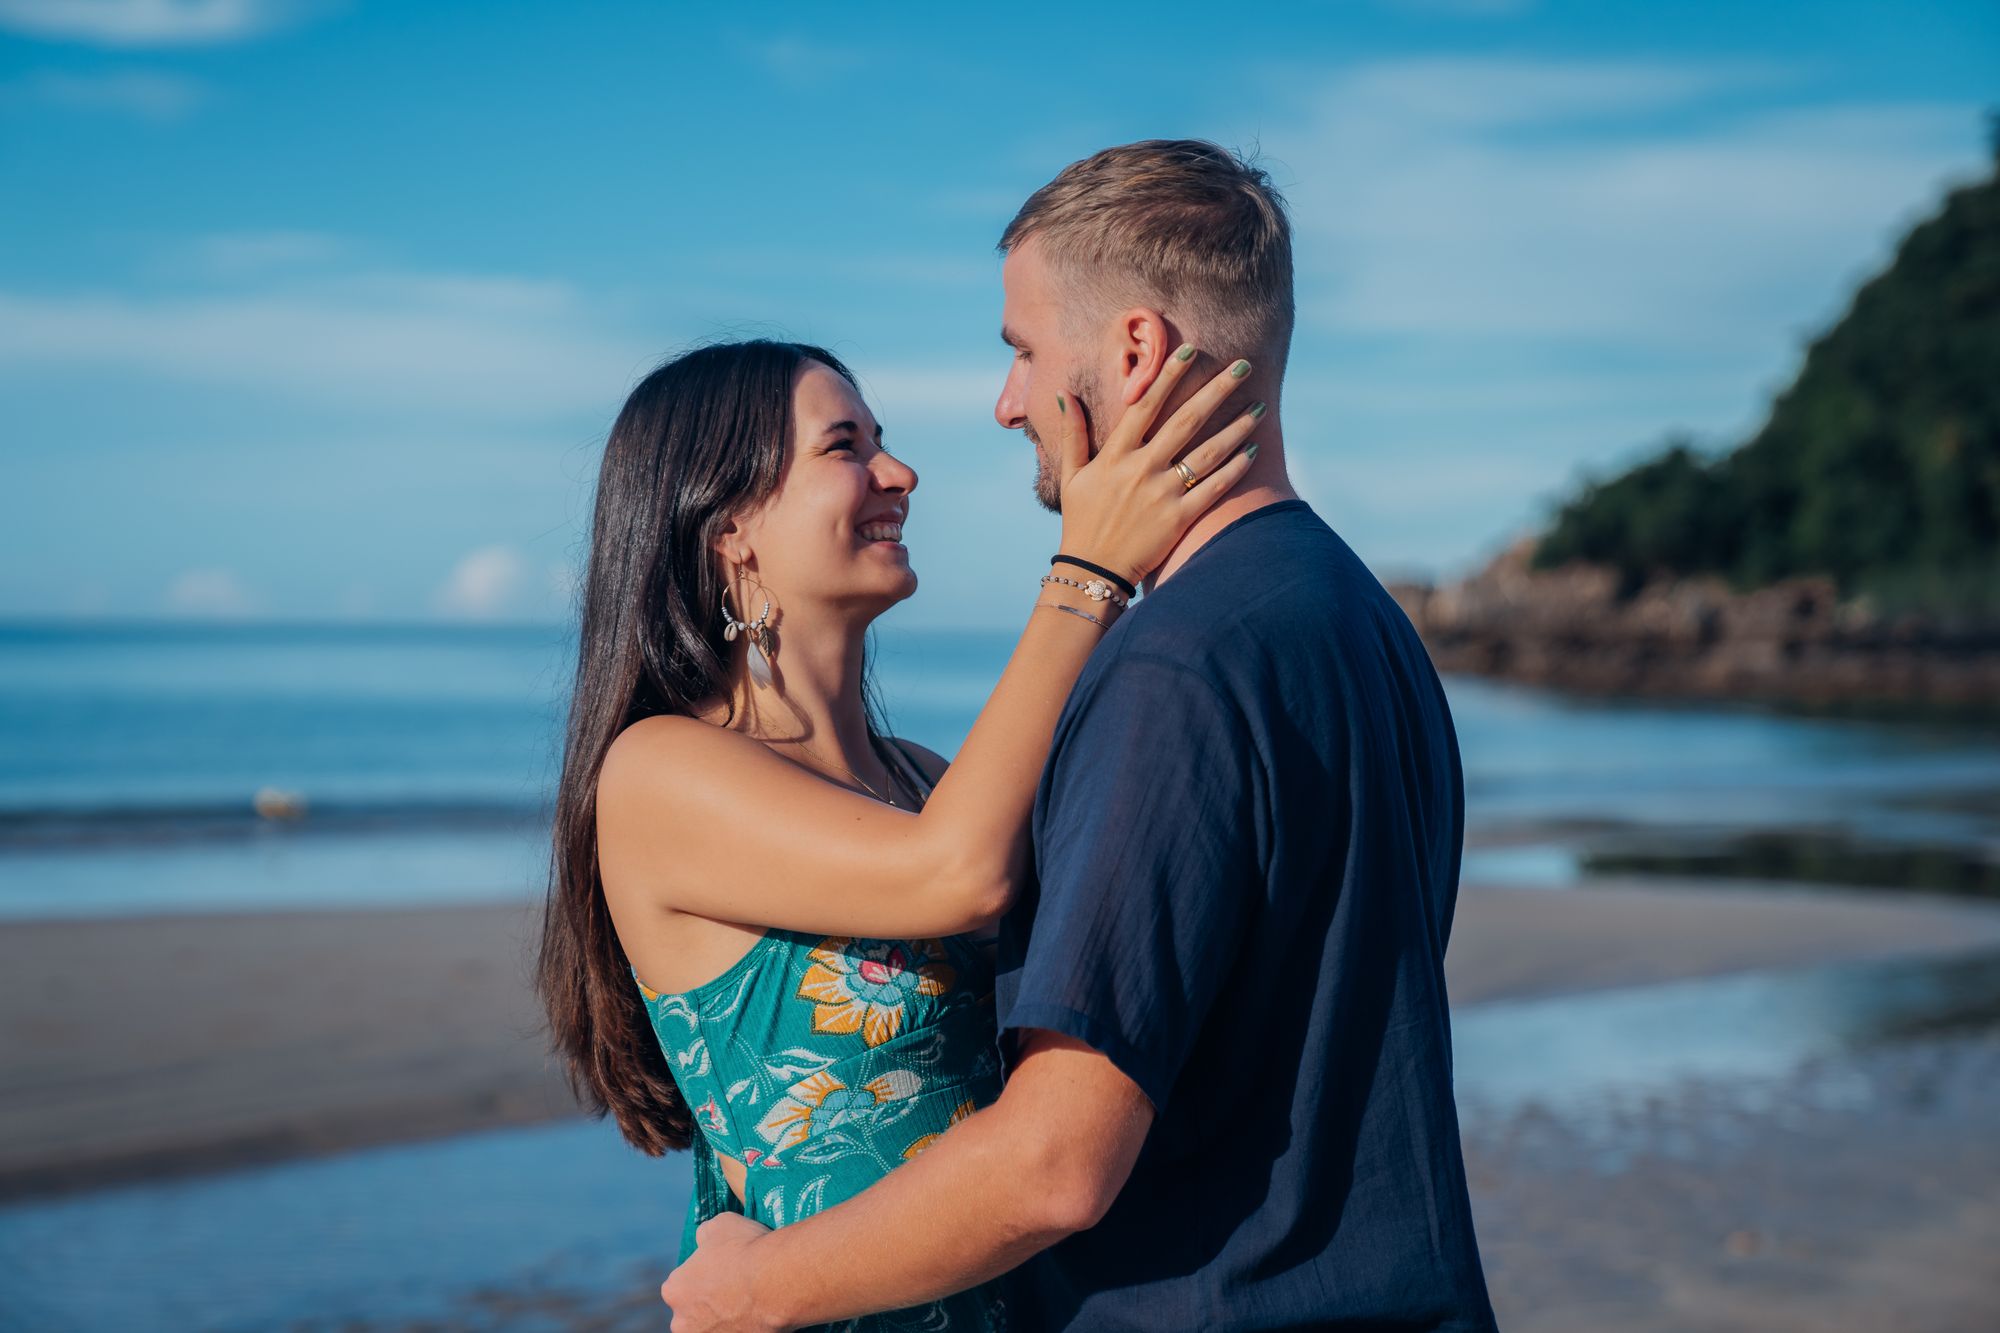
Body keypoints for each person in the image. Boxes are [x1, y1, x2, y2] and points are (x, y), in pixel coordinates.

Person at [660, 141, 1498, 1331]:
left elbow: (1056, 1159)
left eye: (1020, 351)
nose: (1004, 402)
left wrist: (757, 1286)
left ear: (1134, 353)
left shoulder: (1173, 667)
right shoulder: (1359, 621)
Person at [537, 335, 1260, 1332]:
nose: (898, 472)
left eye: (883, 439)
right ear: (729, 524)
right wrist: (1089, 568)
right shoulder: (658, 772)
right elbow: (953, 876)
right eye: (844, 447)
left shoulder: (921, 778)